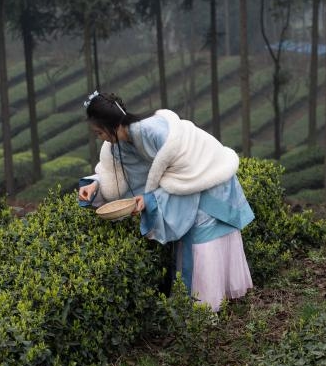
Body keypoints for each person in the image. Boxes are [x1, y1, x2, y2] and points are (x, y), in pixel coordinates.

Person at [77, 91, 254, 312]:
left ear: (110, 125)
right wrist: (95, 185)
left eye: (98, 132)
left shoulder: (152, 131)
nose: (99, 137)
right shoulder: (121, 143)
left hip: (206, 180)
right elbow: (123, 176)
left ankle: (204, 310)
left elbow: (186, 169)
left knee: (200, 242)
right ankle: (198, 309)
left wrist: (150, 199)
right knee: (190, 244)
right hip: (188, 186)